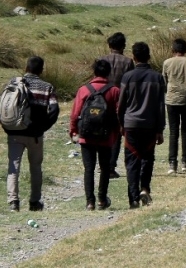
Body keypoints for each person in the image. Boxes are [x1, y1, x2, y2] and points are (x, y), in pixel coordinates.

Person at [4, 56, 59, 212]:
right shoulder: (47, 87)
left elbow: (4, 107)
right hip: (35, 135)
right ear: (41, 70)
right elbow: (54, 110)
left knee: (13, 166)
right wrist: (43, 127)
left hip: (14, 132)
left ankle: (13, 201)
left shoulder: (12, 83)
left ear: (26, 68)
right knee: (35, 167)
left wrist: (7, 126)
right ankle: (34, 201)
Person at [118, 42, 165, 209]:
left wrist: (121, 123)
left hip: (131, 124)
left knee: (132, 161)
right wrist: (160, 129)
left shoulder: (127, 77)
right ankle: (145, 188)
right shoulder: (157, 77)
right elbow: (161, 106)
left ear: (133, 57)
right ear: (149, 57)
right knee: (147, 158)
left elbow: (121, 104)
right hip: (150, 125)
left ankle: (133, 199)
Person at [69, 59, 120, 211]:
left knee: (89, 169)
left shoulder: (84, 90)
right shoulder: (115, 91)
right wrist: (116, 134)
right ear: (108, 72)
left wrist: (73, 131)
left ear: (94, 72)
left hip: (86, 135)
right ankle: (102, 199)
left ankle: (90, 202)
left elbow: (75, 114)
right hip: (106, 136)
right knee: (105, 168)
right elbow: (119, 115)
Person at [162, 38, 186, 174]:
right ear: (185, 50)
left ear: (173, 50)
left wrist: (170, 92)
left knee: (173, 132)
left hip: (171, 101)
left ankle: (172, 163)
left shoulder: (167, 63)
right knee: (185, 130)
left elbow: (164, 82)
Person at [101, 32, 135, 179]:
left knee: (102, 133)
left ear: (109, 46)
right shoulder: (128, 62)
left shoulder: (102, 60)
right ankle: (111, 167)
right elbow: (131, 84)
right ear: (123, 46)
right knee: (116, 134)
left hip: (102, 100)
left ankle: (103, 164)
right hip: (121, 101)